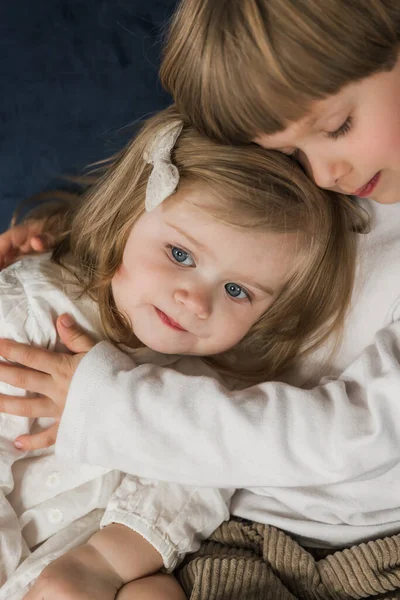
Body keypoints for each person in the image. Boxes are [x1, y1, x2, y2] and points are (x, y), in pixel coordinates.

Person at [3, 0, 400, 597]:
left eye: (337, 127)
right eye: (291, 155)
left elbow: (361, 431)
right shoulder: (338, 166)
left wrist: (108, 405)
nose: (322, 176)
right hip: (230, 513)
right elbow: (194, 202)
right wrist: (67, 238)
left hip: (346, 532)